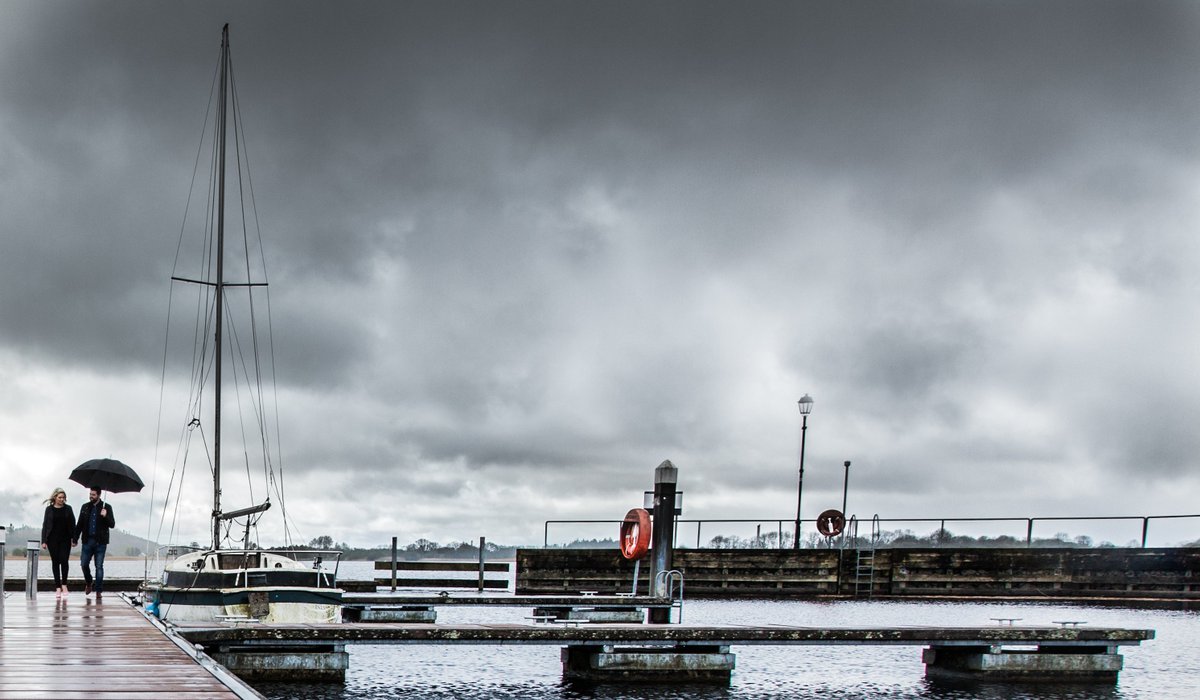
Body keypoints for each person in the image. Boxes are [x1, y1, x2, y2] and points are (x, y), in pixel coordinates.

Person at [72, 488, 115, 599]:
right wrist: (75, 538)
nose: (91, 496)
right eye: (90, 494)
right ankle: (89, 582)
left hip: (101, 542)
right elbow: (80, 524)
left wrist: (105, 516)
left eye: (93, 495)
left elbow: (112, 524)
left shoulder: (107, 507)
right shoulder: (85, 507)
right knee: (84, 564)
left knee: (99, 566)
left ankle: (98, 591)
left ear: (99, 495)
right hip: (87, 541)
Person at [41, 487, 76, 599]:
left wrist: (74, 539)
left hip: (65, 539)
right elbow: (45, 525)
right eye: (60, 497)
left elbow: (72, 524)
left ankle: (64, 585)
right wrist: (44, 541)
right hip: (52, 539)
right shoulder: (49, 509)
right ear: (55, 497)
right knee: (55, 561)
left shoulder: (68, 509)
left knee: (64, 560)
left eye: (63, 498)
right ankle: (57, 587)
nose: (62, 499)